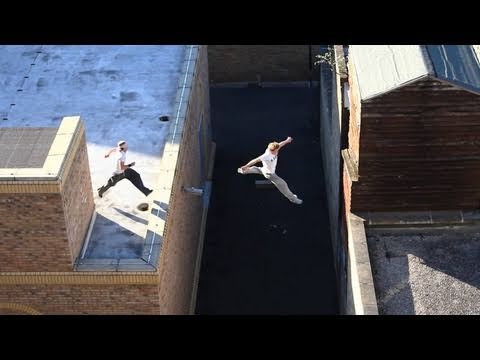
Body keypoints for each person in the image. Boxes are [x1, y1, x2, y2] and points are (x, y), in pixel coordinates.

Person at [238, 136, 303, 204]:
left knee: (258, 169)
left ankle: (242, 171)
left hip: (264, 169)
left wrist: (287, 140)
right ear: (272, 150)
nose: (277, 151)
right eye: (275, 151)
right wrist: (246, 165)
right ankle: (293, 199)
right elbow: (255, 160)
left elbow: (281, 143)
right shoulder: (266, 155)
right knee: (283, 184)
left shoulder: (276, 147)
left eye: (277, 149)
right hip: (270, 174)